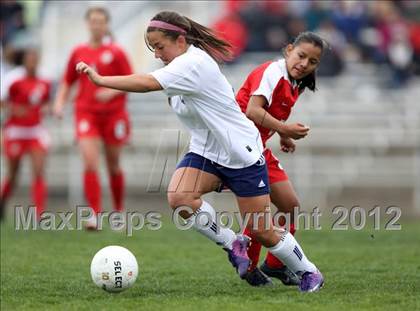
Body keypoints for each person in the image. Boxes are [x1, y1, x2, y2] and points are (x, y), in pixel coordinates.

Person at [76, 11, 324, 292]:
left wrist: (101, 79)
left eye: (160, 46)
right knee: (180, 198)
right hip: (207, 151)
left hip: (240, 154)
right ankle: (233, 242)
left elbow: (146, 83)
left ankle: (309, 272)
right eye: (153, 48)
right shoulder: (181, 65)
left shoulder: (192, 64)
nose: (157, 54)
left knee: (262, 230)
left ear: (180, 40)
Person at [236, 31, 326, 286]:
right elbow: (253, 110)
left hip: (256, 147)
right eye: (301, 56)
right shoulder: (272, 72)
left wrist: (282, 134)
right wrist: (285, 130)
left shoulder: (294, 82)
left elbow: (270, 112)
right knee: (259, 214)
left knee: (290, 206)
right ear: (288, 50)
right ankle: (248, 266)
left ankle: (274, 265)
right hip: (238, 149)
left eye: (312, 61)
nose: (305, 64)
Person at [53, 7, 132, 229]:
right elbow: (67, 81)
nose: (96, 25)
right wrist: (59, 103)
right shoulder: (78, 51)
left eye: (101, 21)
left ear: (107, 25)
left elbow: (131, 81)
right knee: (89, 160)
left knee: (113, 165)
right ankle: (95, 214)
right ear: (87, 24)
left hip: (114, 114)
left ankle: (118, 211)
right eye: (93, 21)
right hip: (86, 111)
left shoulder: (116, 52)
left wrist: (111, 91)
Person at [0, 48, 51, 221]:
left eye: (35, 58)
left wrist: (47, 108)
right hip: (15, 132)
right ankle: (2, 201)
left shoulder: (44, 80)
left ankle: (39, 214)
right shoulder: (13, 79)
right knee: (13, 174)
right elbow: (2, 103)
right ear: (24, 61)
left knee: (38, 170)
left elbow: (48, 102)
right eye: (30, 59)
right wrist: (13, 109)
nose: (33, 62)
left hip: (35, 131)